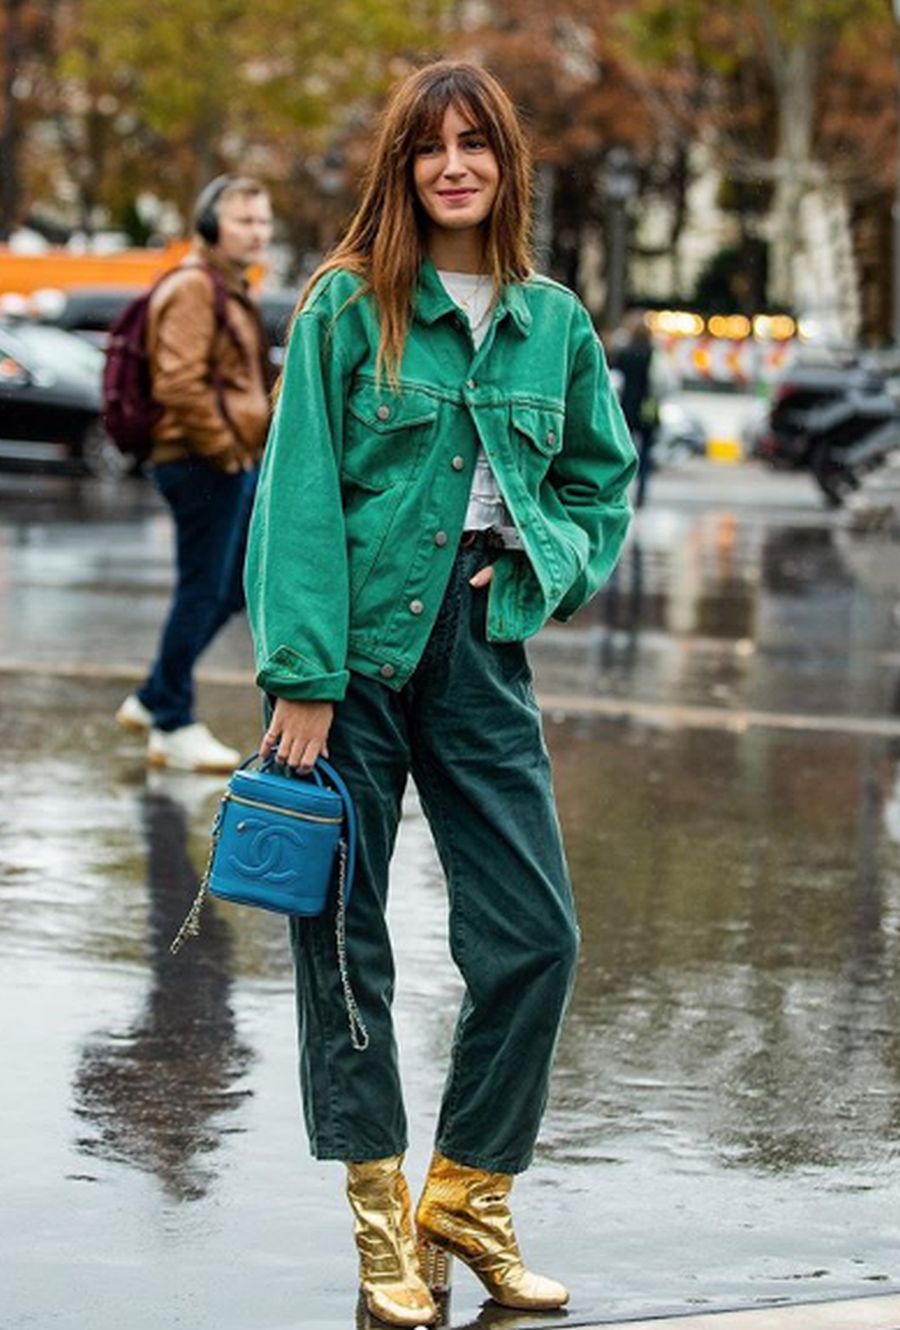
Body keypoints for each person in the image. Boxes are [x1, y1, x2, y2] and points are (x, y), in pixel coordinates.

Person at [244, 62, 636, 1327]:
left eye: (477, 145)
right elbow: (296, 497)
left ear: (506, 167)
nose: (455, 164)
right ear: (403, 167)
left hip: (478, 645)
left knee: (536, 937)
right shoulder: (347, 309)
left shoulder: (554, 321)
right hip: (351, 658)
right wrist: (300, 676)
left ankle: (467, 1190)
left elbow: (598, 478)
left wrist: (541, 573)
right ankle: (377, 1217)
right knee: (345, 939)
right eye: (432, 147)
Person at [115, 175, 273, 771]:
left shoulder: (228, 287)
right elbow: (179, 381)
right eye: (242, 220)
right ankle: (172, 716)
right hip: (199, 459)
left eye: (262, 222)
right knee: (205, 587)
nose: (256, 233)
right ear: (210, 225)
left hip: (218, 458)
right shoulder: (192, 288)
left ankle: (156, 699)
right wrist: (228, 452)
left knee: (228, 586)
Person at [609, 309, 659, 509]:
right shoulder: (653, 354)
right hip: (647, 410)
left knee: (622, 454)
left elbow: (614, 379)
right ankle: (641, 495)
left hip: (626, 409)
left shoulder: (625, 353)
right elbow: (662, 382)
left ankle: (618, 494)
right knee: (646, 454)